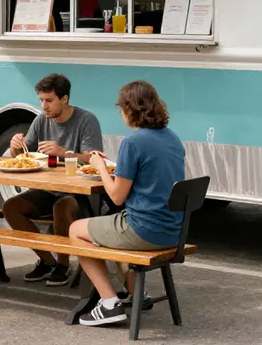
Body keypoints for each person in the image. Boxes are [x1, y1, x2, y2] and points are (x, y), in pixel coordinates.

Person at [70, 80, 185, 327]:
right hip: (173, 232)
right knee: (109, 228)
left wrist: (100, 167)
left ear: (130, 110)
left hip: (144, 230)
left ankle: (109, 303)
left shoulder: (133, 143)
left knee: (76, 230)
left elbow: (116, 197)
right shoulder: (172, 138)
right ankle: (135, 292)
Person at [3, 73, 104, 286]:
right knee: (11, 207)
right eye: (41, 100)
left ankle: (64, 265)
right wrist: (14, 145)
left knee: (62, 206)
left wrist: (63, 152)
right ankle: (48, 261)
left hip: (81, 193)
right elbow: (22, 155)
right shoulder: (41, 120)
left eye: (49, 100)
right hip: (49, 189)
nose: (44, 106)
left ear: (64, 99)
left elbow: (94, 159)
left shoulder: (86, 120)